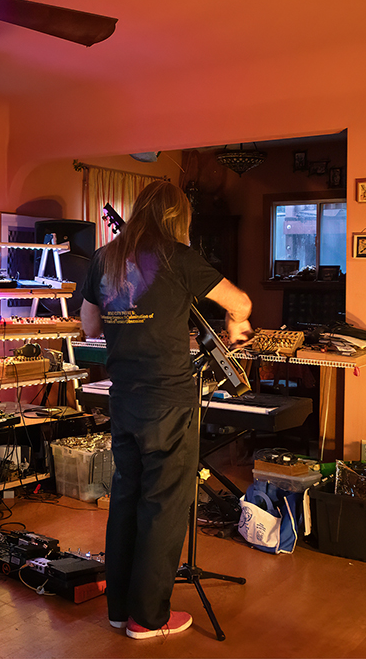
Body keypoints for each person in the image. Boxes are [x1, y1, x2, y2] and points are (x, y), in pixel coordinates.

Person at [80, 180, 253, 640]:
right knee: (164, 507)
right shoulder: (179, 257)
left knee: (126, 498)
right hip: (169, 402)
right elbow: (240, 302)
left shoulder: (104, 258)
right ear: (178, 218)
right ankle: (148, 617)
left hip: (124, 397)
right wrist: (236, 324)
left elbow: (90, 325)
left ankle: (120, 609)